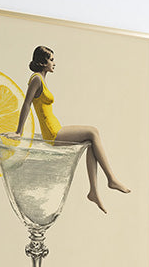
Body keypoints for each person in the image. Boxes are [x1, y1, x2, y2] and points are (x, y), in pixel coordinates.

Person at [14, 45, 130, 213]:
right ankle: (111, 179)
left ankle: (94, 192)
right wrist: (18, 131)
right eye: (51, 60)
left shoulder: (42, 79)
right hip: (52, 133)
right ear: (42, 62)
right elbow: (26, 104)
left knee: (91, 142)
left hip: (56, 127)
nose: (54, 63)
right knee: (92, 131)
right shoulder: (36, 79)